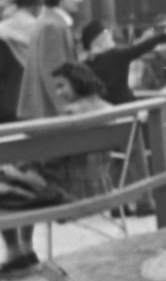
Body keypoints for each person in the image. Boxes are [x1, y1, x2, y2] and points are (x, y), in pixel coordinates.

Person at [39, 62, 114, 201]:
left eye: (61, 86)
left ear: (78, 82)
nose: (58, 93)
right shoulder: (108, 108)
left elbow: (53, 156)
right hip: (103, 185)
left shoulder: (72, 113)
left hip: (70, 188)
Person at [17, 0, 83, 121]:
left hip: (46, 110)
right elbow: (54, 72)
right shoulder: (52, 26)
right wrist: (66, 110)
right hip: (50, 112)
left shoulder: (50, 22)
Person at [82, 21, 166, 105]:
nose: (111, 38)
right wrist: (165, 34)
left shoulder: (84, 65)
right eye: (108, 36)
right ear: (100, 40)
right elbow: (140, 48)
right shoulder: (116, 56)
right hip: (127, 109)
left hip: (102, 113)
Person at [0, 0, 39, 123]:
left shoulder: (2, 29)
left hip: (4, 101)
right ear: (35, 5)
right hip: (30, 100)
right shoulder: (38, 28)